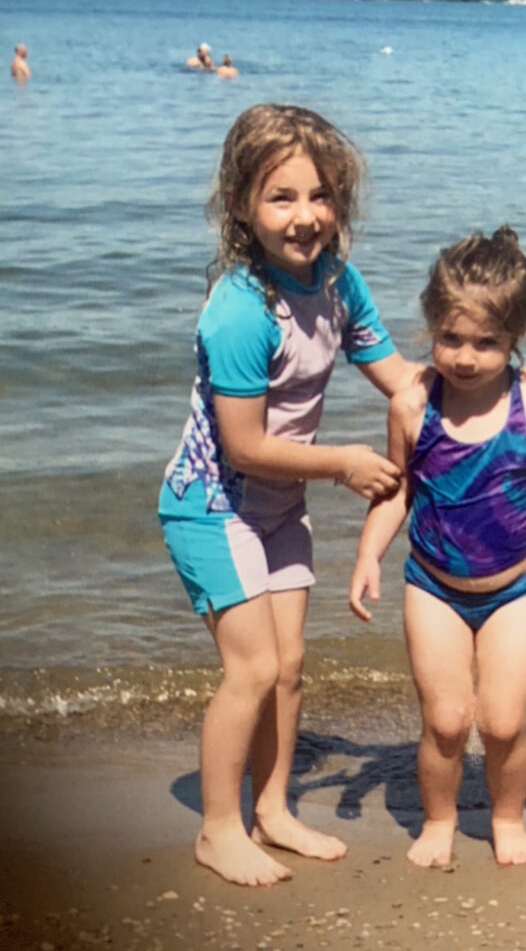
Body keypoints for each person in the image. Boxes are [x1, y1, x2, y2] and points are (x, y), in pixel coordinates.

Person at [158, 104, 422, 888]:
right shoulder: (243, 309)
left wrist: (494, 389)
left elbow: (401, 377)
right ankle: (218, 829)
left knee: (291, 667)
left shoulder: (338, 282)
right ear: (241, 205)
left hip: (276, 508)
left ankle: (273, 809)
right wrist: (342, 461)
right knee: (252, 669)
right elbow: (242, 445)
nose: (305, 217)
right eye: (281, 197)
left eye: (320, 195)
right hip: (211, 503)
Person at [349, 226, 526, 870]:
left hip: (514, 588)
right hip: (433, 585)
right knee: (447, 721)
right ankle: (441, 821)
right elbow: (396, 490)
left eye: (488, 343)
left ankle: (506, 817)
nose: (467, 357)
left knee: (503, 722)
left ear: (517, 337)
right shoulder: (412, 405)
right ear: (429, 326)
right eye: (451, 339)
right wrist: (370, 553)